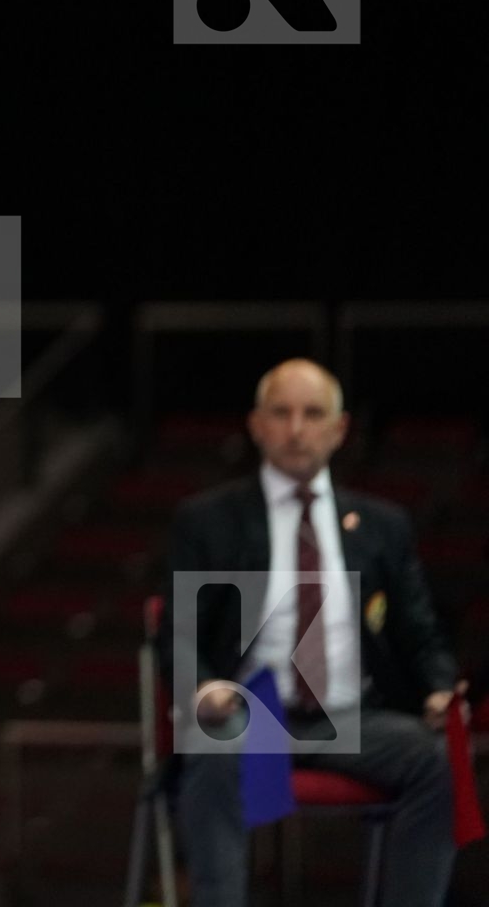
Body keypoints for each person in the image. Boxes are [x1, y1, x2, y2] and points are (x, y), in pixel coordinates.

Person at [158, 357, 466, 905]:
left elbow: (421, 634)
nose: (296, 429)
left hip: (353, 719)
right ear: (256, 425)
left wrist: (440, 689)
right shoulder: (209, 519)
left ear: (339, 428)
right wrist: (203, 690)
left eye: (312, 413)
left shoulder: (382, 526)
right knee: (213, 749)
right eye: (281, 413)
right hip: (251, 717)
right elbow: (179, 636)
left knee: (434, 763)